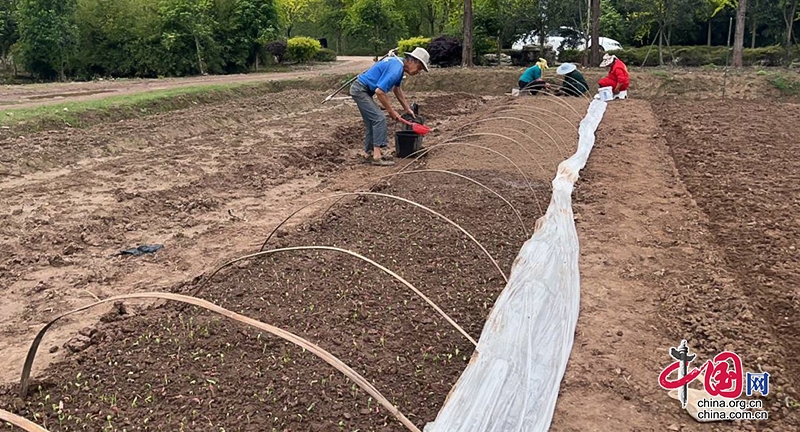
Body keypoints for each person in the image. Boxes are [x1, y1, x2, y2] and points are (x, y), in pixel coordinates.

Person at [349, 47, 430, 166]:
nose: (418, 72)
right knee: (379, 118)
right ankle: (377, 156)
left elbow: (397, 89)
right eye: (419, 68)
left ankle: (368, 153)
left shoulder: (398, 65)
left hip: (362, 89)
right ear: (412, 61)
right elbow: (380, 91)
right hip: (361, 90)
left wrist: (407, 108)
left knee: (372, 121)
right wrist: (392, 111)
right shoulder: (396, 69)